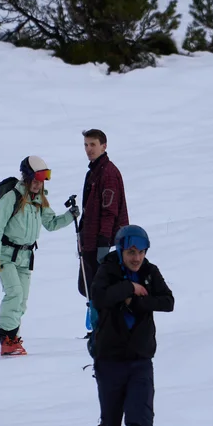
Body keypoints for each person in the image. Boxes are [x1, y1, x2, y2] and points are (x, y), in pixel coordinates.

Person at [89, 224, 174, 426]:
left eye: (141, 252)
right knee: (110, 423)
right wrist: (128, 288)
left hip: (140, 360)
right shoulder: (108, 270)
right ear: (122, 249)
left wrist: (133, 301)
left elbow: (167, 302)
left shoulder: (150, 271)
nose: (137, 258)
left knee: (140, 418)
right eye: (131, 252)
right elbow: (99, 297)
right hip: (109, 360)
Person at [0, 156, 79, 356]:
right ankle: (6, 337)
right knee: (14, 293)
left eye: (41, 181)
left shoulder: (39, 200)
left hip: (26, 257)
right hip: (5, 255)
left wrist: (70, 216)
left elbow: (51, 223)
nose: (38, 185)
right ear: (26, 178)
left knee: (22, 302)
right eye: (35, 180)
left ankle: (12, 339)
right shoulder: (11, 198)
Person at [77, 129, 130, 301]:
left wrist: (103, 243)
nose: (89, 149)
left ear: (104, 146)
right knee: (88, 289)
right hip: (91, 242)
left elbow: (110, 212)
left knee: (102, 292)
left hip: (104, 244)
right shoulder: (94, 171)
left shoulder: (107, 173)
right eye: (86, 145)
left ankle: (104, 325)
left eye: (93, 144)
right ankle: (97, 324)